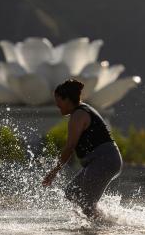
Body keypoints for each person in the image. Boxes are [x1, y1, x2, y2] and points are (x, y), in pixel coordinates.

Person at [42, 79, 123, 219]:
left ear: (67, 99)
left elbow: (69, 147)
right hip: (100, 161)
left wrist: (53, 172)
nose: (57, 105)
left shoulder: (78, 115)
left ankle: (104, 229)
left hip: (104, 160)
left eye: (58, 101)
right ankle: (93, 225)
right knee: (71, 193)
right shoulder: (81, 110)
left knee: (87, 204)